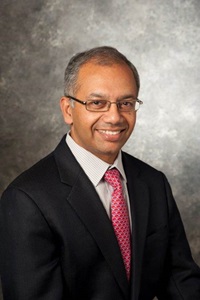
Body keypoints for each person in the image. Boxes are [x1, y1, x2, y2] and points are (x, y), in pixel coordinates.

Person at [0, 46, 199, 300]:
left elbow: (181, 280)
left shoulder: (153, 183)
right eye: (97, 103)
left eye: (126, 103)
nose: (115, 117)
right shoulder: (26, 200)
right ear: (68, 110)